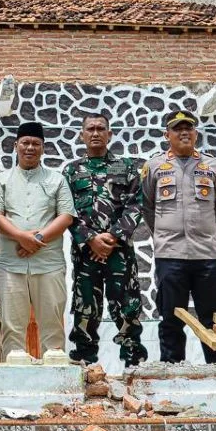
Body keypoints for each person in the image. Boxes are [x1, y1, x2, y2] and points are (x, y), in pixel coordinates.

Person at [141, 109, 216, 364]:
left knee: (215, 317)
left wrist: (210, 236)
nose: (184, 132)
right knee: (171, 317)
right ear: (166, 134)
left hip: (206, 256)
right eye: (177, 128)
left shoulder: (213, 167)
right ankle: (172, 369)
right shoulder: (154, 166)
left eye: (189, 128)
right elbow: (148, 207)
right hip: (169, 256)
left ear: (196, 133)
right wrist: (162, 235)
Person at [63, 112, 149, 367]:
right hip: (85, 254)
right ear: (82, 135)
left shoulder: (126, 167)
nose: (96, 133)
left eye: (101, 128)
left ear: (110, 134)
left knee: (127, 306)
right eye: (90, 129)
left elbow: (136, 205)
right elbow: (66, 210)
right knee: (85, 307)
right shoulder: (71, 170)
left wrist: (112, 237)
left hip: (119, 253)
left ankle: (133, 362)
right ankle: (84, 361)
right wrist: (90, 239)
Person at [0, 121, 75, 358]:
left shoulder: (56, 180)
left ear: (43, 148)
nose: (30, 147)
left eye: (35, 143)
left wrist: (36, 239)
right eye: (25, 143)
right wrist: (20, 237)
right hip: (10, 265)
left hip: (48, 265)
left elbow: (66, 216)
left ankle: (56, 382)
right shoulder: (1, 180)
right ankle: (15, 384)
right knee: (11, 328)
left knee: (53, 329)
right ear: (16, 145)